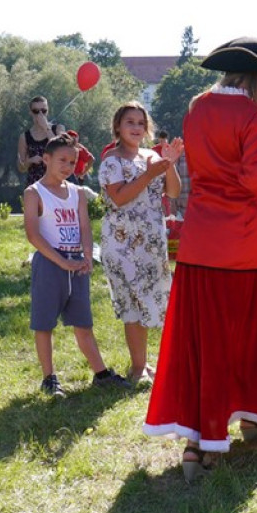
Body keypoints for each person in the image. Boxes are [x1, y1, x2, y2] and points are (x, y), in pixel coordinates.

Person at [143, 36, 257, 481]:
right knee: (254, 339)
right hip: (247, 246)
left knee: (203, 344)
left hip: (201, 243)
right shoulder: (256, 117)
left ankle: (199, 443)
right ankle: (255, 418)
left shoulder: (197, 109)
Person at [24, 133, 130, 397]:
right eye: (62, 160)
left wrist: (87, 257)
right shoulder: (34, 193)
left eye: (72, 162)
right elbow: (33, 235)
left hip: (77, 264)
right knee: (44, 324)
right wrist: (61, 261)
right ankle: (49, 378)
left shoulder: (77, 193)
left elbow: (84, 227)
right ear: (46, 159)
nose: (67, 166)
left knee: (83, 322)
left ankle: (101, 374)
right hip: (50, 264)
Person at [98, 102, 182, 387]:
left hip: (151, 243)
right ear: (118, 127)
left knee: (149, 301)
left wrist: (168, 165)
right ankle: (137, 368)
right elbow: (120, 198)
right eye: (130, 122)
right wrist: (149, 173)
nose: (136, 127)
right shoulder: (111, 161)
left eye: (141, 123)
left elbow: (174, 192)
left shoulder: (151, 156)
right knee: (132, 304)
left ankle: (144, 363)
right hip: (122, 244)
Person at [17, 96, 65, 187]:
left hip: (56, 184)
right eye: (36, 111)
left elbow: (62, 150)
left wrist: (46, 127)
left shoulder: (58, 129)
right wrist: (30, 160)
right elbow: (21, 167)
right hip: (35, 184)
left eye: (43, 111)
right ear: (30, 112)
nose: (40, 114)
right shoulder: (25, 137)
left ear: (48, 111)